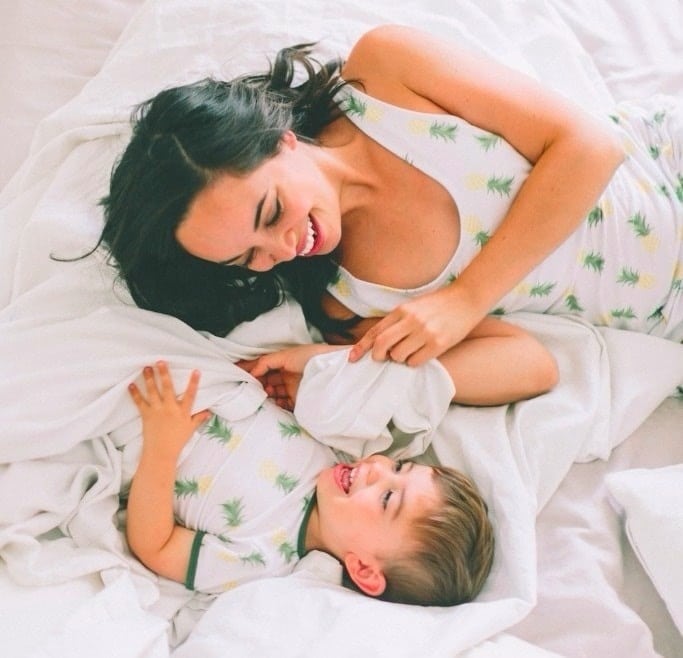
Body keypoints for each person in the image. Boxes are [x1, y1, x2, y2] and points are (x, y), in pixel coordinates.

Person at [97, 25, 682, 374]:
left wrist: (465, 298)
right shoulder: (343, 302)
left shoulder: (384, 77)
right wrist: (340, 372)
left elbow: (590, 148)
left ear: (278, 139)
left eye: (270, 212)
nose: (281, 249)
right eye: (246, 258)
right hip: (669, 317)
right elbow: (534, 366)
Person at [125, 361, 494, 606]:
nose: (377, 468)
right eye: (399, 466)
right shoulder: (334, 452)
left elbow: (156, 546)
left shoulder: (261, 560)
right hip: (187, 376)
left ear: (364, 569)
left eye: (386, 498)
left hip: (140, 432)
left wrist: (161, 447)